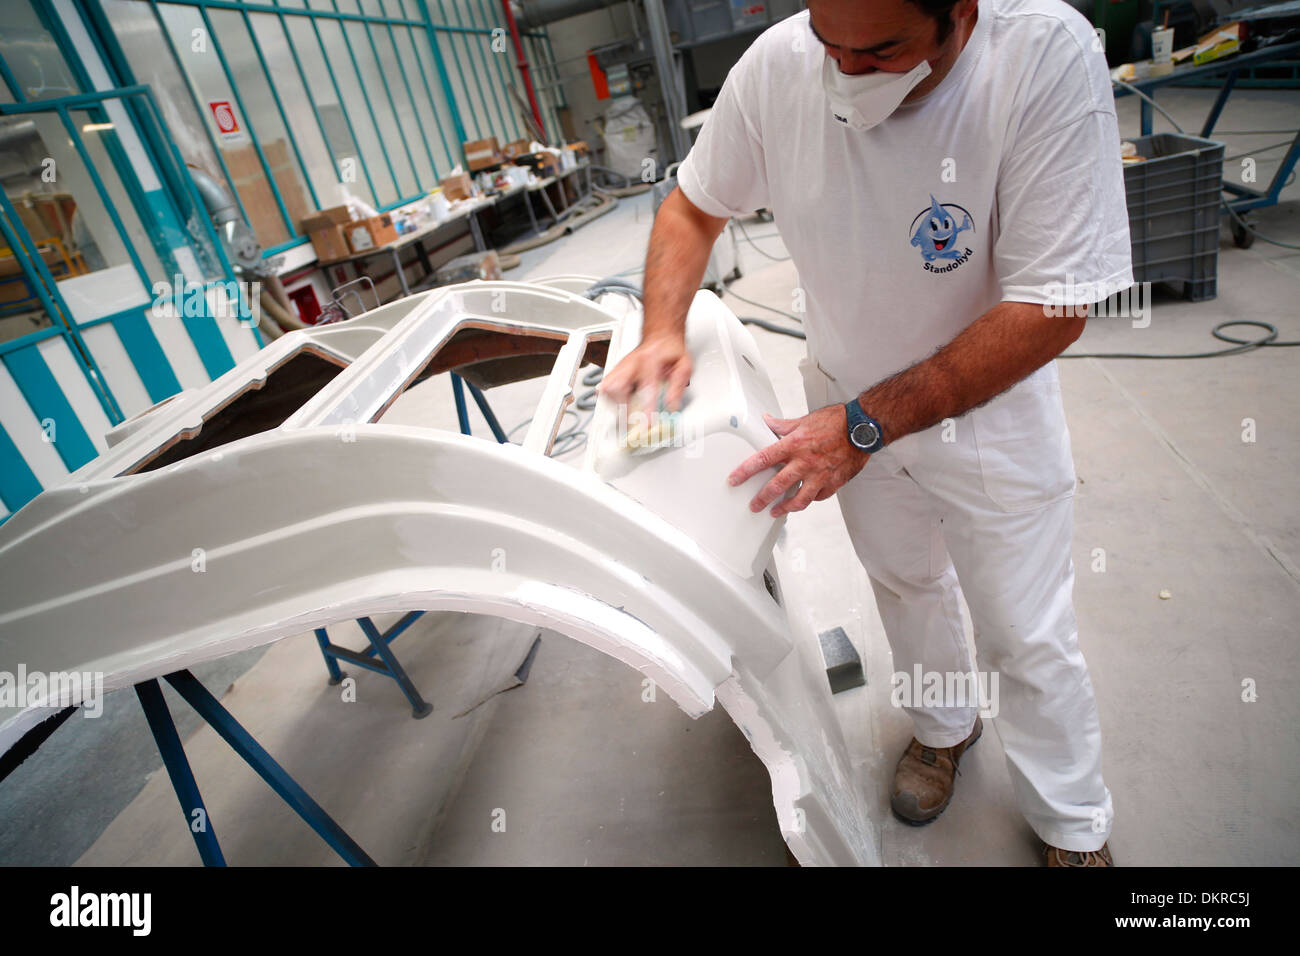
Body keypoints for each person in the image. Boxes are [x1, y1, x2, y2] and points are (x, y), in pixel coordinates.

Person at [598, 0, 1132, 866]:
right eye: (829, 43)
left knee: (1025, 629)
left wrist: (865, 427)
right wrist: (663, 327)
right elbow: (691, 208)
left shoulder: (1040, 56)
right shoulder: (778, 66)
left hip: (985, 411)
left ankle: (1073, 824)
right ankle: (944, 725)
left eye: (880, 51)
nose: (845, 71)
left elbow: (1052, 306)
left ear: (959, 13)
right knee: (905, 584)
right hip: (843, 397)